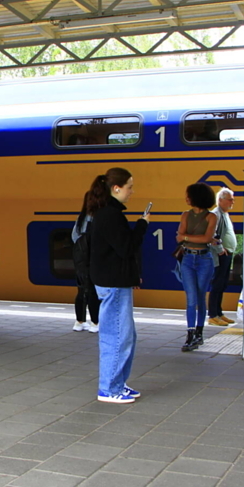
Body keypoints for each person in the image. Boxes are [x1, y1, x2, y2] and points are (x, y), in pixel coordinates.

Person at [87, 167, 149, 404]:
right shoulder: (110, 215)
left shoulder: (105, 213)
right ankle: (110, 389)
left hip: (114, 281)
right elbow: (126, 248)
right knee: (117, 336)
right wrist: (142, 225)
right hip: (113, 284)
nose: (132, 191)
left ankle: (118, 383)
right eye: (129, 187)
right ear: (116, 188)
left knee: (125, 335)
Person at [177, 183, 219, 352]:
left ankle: (199, 333)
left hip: (204, 260)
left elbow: (207, 238)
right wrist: (193, 238)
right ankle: (190, 333)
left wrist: (187, 237)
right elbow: (178, 238)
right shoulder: (185, 214)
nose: (186, 198)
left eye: (189, 195)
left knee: (201, 296)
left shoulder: (211, 217)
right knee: (191, 298)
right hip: (187, 259)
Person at [71, 191, 99, 333]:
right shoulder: (97, 218)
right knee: (93, 290)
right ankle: (96, 322)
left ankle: (79, 321)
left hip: (80, 258)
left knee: (82, 289)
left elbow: (74, 236)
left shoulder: (81, 217)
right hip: (92, 258)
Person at [207, 188, 237, 326]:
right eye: (230, 199)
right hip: (220, 256)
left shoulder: (224, 214)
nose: (232, 202)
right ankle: (212, 314)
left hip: (226, 254)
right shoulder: (216, 214)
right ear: (220, 200)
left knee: (223, 283)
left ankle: (219, 312)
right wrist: (219, 249)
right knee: (217, 284)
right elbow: (211, 234)